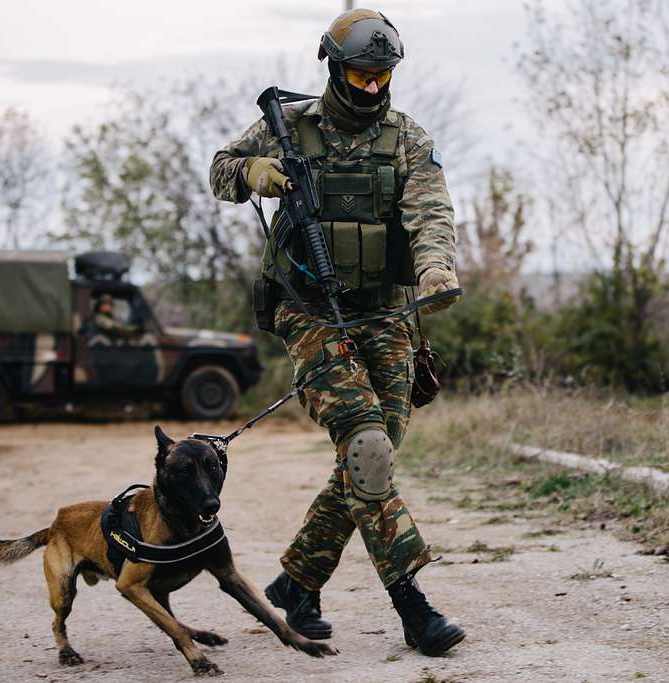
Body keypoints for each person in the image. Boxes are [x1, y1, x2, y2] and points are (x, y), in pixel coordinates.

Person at [209, 8, 465, 657]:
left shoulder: (407, 138)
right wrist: (252, 173)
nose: (373, 86)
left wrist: (435, 271)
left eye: (383, 75)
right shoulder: (288, 128)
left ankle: (297, 581)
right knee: (368, 447)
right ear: (332, 64)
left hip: (386, 312)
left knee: (368, 458)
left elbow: (430, 211)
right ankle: (412, 603)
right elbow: (220, 169)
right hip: (310, 309)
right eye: (361, 73)